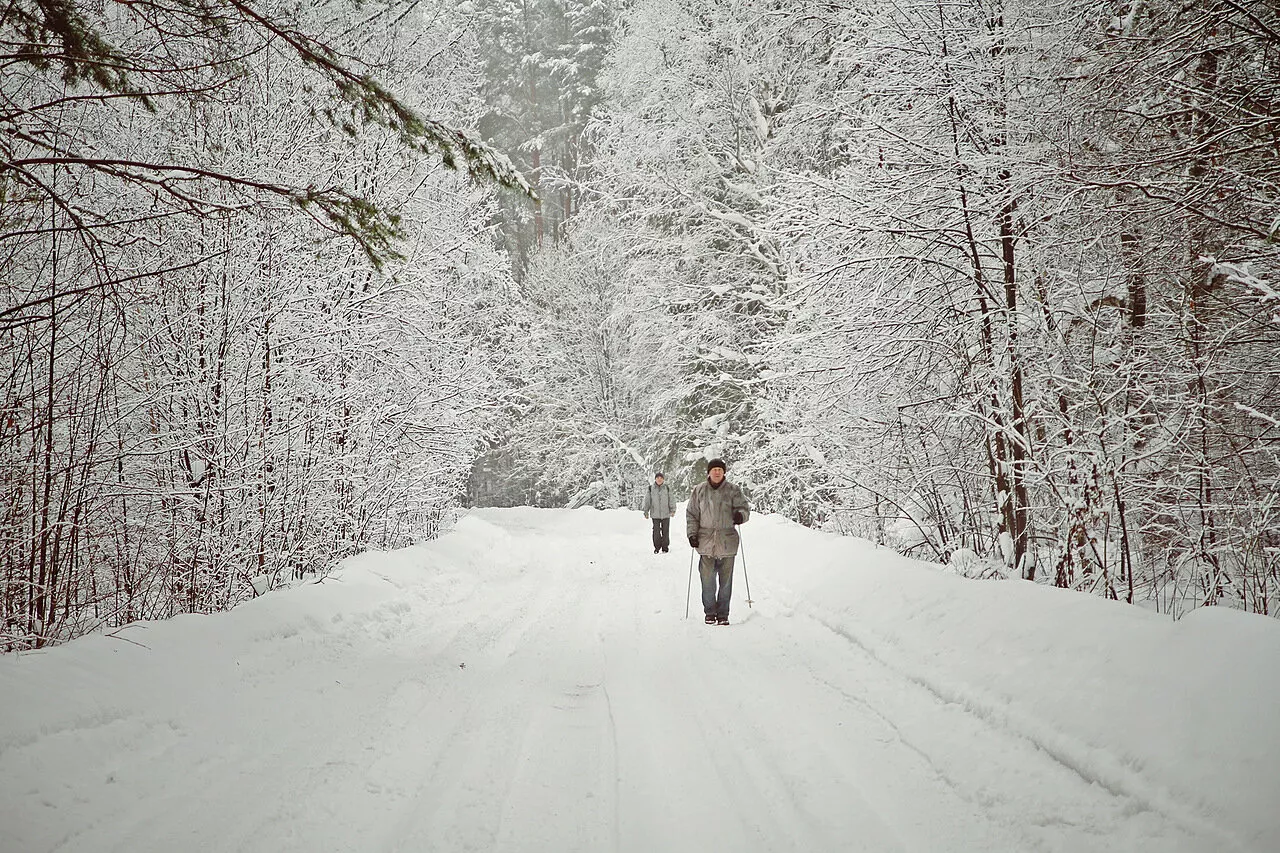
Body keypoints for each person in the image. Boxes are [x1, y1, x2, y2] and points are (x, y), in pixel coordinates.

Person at [686, 458, 749, 625]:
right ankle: (709, 612)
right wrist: (692, 534)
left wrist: (740, 516)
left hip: (727, 541)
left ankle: (723, 614)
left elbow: (744, 508)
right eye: (714, 469)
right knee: (707, 581)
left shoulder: (733, 490)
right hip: (705, 542)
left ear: (724, 472)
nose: (717, 472)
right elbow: (692, 514)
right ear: (709, 472)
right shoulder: (699, 490)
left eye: (720, 469)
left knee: (725, 583)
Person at [642, 472, 677, 553]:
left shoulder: (667, 488)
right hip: (655, 514)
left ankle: (665, 547)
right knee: (656, 531)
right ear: (655, 479)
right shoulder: (650, 488)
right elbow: (647, 501)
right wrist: (646, 511)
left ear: (663, 479)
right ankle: (657, 547)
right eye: (658, 478)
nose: (659, 479)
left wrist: (673, 510)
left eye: (661, 478)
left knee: (666, 531)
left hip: (666, 514)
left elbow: (671, 499)